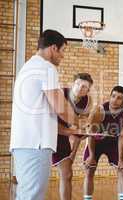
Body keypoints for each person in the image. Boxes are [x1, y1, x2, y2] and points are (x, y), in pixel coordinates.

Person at [10, 29, 79, 200]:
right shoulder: (45, 67)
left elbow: (41, 114)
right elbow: (60, 106)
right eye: (63, 51)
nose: (63, 56)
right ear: (53, 48)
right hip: (35, 145)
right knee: (32, 196)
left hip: (26, 144)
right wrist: (78, 122)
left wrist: (68, 131)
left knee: (27, 194)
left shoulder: (28, 67)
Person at [83, 86, 123, 200]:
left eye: (119, 98)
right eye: (113, 96)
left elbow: (122, 136)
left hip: (113, 143)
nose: (114, 100)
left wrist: (121, 159)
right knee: (89, 169)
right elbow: (91, 133)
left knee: (122, 170)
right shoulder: (98, 110)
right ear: (110, 96)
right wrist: (91, 156)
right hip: (96, 142)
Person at [52, 73, 93, 200]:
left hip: (62, 136)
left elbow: (79, 131)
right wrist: (72, 129)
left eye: (84, 87)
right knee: (37, 176)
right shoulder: (60, 94)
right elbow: (50, 122)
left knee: (67, 174)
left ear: (88, 90)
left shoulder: (87, 102)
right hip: (47, 132)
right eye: (78, 84)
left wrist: (72, 155)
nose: (80, 88)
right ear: (72, 84)